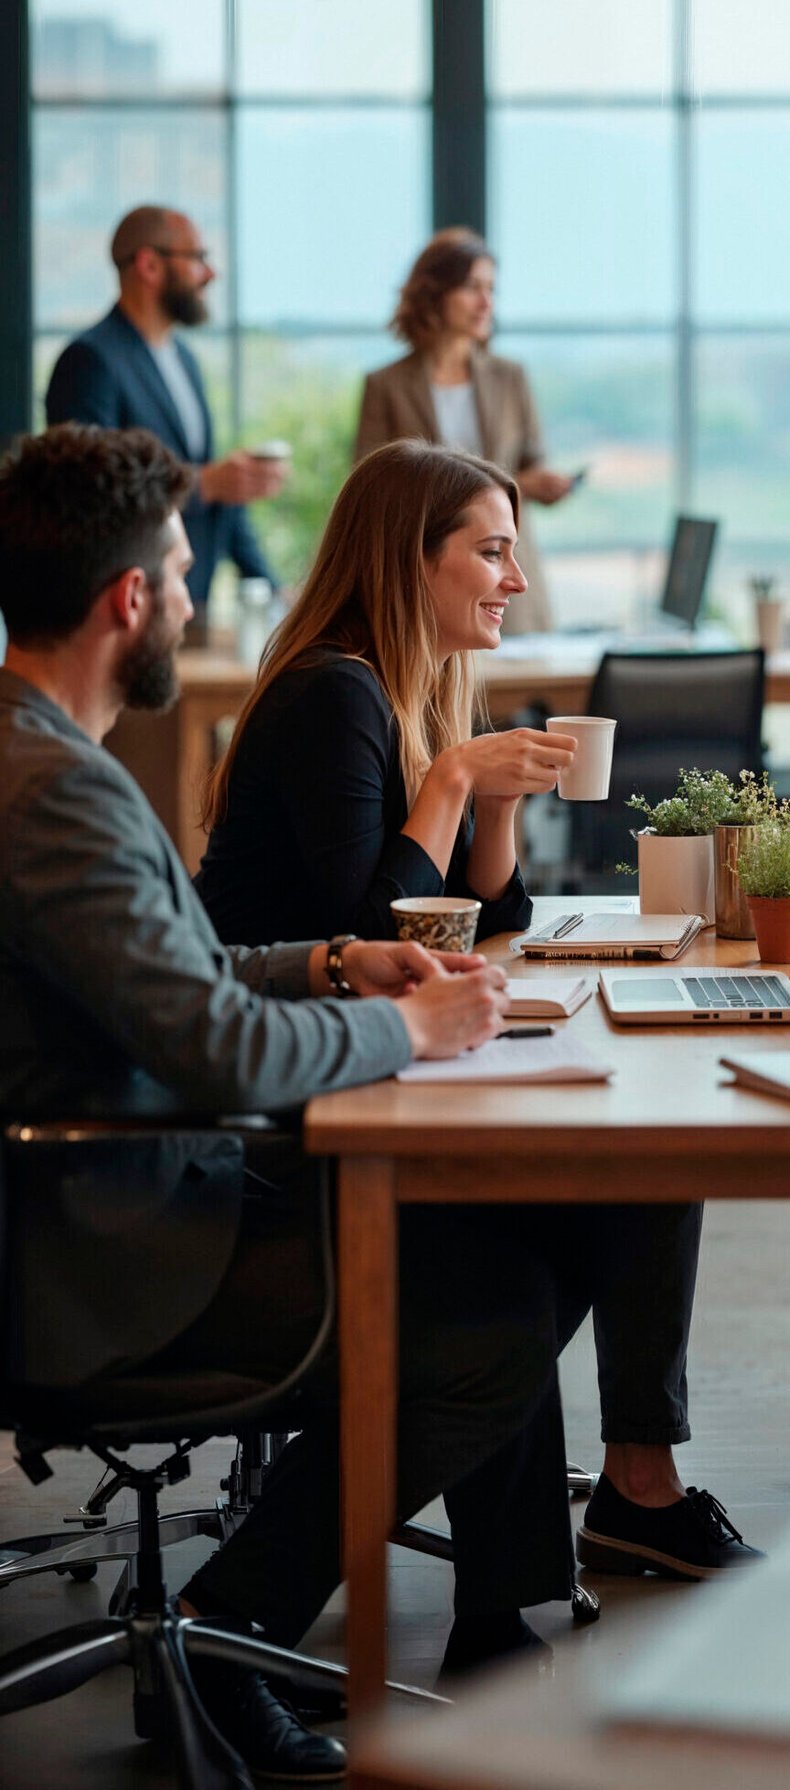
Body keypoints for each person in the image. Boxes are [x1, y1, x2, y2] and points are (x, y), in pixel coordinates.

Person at [0, 423, 580, 1777]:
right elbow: (212, 1044)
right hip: (99, 1241)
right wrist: (404, 1022)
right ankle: (219, 1628)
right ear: (129, 598)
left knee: (499, 1250)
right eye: (185, 572)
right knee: (490, 1318)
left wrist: (328, 960)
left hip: (114, 1187)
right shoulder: (58, 794)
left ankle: (470, 1608)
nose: (198, 599)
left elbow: (183, 971)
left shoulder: (44, 757)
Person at [194, 439, 760, 1582]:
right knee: (556, 1236)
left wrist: (493, 804)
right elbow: (381, 926)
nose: (515, 580)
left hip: (350, 1059)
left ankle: (570, 1541)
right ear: (413, 560)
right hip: (276, 1114)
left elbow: (485, 911)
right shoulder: (332, 693)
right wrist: (452, 779)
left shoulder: (405, 685)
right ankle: (529, 1553)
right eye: (492, 551)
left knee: (642, 1162)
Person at [44, 206, 282, 620]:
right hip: (124, 611)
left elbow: (220, 493)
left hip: (189, 607)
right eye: (198, 258)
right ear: (149, 265)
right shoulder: (89, 360)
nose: (210, 274)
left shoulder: (185, 360)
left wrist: (275, 592)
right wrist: (204, 483)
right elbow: (87, 489)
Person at [355, 227, 575, 634]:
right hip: (425, 578)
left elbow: (531, 463)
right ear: (435, 293)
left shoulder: (510, 378)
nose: (486, 302)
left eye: (491, 288)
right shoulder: (386, 385)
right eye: (473, 287)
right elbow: (371, 490)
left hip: (506, 579)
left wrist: (542, 484)